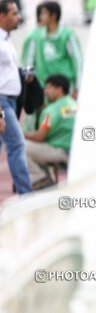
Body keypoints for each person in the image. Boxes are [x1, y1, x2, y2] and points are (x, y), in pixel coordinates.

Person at [0, 0, 32, 194]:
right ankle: (26, 195)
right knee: (17, 145)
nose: (18, 17)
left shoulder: (7, 40)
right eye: (13, 13)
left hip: (11, 100)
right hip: (2, 101)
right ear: (1, 16)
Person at [23, 75, 76, 189]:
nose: (46, 92)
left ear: (59, 89)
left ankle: (40, 178)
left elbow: (39, 136)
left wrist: (21, 134)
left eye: (48, 88)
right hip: (74, 151)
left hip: (59, 151)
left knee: (21, 147)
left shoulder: (51, 111)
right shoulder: (74, 105)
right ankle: (46, 180)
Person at [23, 1, 82, 98]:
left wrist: (78, 87)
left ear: (53, 15)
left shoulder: (68, 35)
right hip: (43, 88)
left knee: (64, 112)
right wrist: (28, 85)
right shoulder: (35, 36)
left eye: (44, 13)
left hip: (64, 89)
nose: (40, 16)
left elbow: (78, 61)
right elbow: (28, 61)